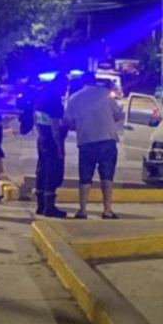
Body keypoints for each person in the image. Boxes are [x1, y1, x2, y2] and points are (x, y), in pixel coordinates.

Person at [64, 72, 124, 220]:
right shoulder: (106, 95)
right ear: (95, 82)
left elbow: (68, 122)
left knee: (85, 178)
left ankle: (83, 210)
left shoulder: (74, 98)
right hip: (107, 140)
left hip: (86, 141)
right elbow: (118, 115)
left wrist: (80, 125)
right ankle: (107, 211)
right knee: (107, 177)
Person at [34, 74, 69, 218]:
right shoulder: (55, 102)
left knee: (41, 171)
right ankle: (49, 207)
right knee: (53, 173)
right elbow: (55, 125)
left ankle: (41, 205)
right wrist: (60, 146)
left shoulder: (41, 97)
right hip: (51, 142)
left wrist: (41, 134)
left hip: (42, 138)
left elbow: (35, 118)